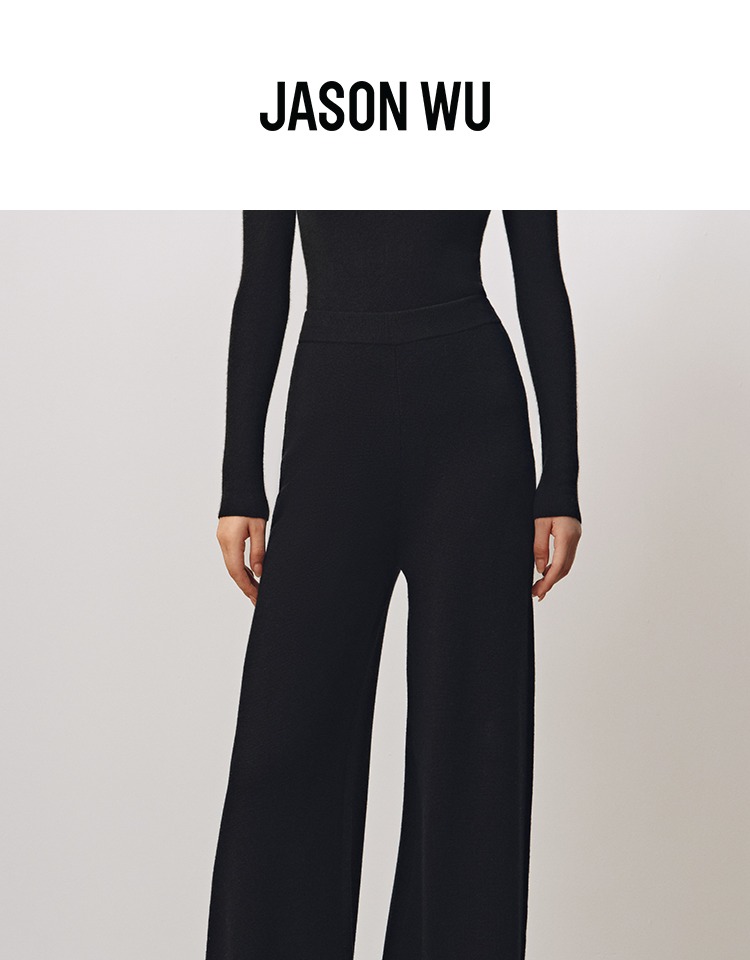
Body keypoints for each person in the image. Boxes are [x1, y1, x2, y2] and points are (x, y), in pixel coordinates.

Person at [206, 210, 582, 960]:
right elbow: (263, 282)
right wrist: (239, 479)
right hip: (331, 430)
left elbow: (540, 276)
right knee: (286, 740)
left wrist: (561, 480)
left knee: (473, 742)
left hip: (473, 434)